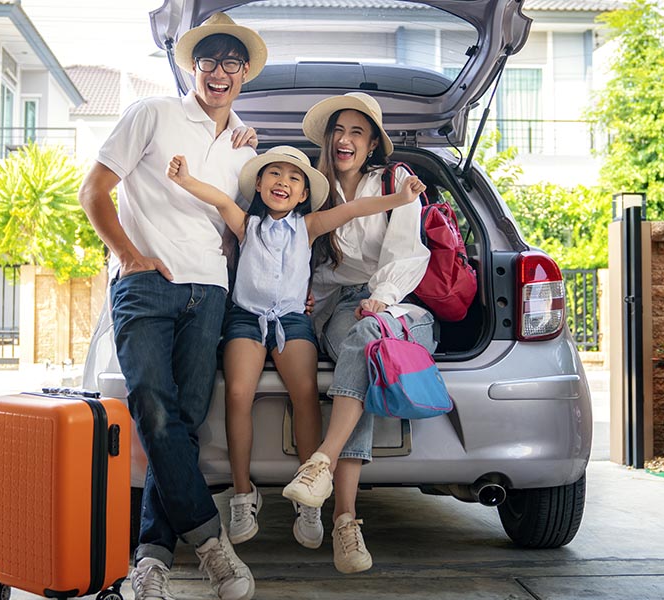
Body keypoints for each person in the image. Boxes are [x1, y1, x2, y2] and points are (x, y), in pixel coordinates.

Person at [78, 13, 267, 600]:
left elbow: (247, 229)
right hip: (147, 287)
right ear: (192, 66)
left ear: (243, 75)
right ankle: (212, 547)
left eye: (231, 63)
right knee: (154, 411)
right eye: (208, 60)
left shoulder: (244, 147)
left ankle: (153, 558)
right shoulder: (152, 114)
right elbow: (93, 190)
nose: (218, 72)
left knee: (182, 426)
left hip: (209, 291)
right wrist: (129, 256)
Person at [167, 146, 423, 550]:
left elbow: (356, 210)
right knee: (237, 395)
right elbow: (217, 198)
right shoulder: (246, 224)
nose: (282, 182)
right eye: (274, 174)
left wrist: (399, 199)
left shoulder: (310, 226)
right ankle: (241, 494)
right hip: (246, 319)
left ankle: (311, 497)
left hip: (291, 320)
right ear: (260, 184)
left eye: (293, 177)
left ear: (304, 193)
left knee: (304, 394)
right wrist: (184, 181)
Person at [281, 92, 437, 574]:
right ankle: (345, 523)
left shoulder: (394, 182)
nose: (345, 139)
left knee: (370, 335)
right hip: (337, 310)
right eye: (338, 131)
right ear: (327, 139)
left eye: (357, 132)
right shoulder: (309, 187)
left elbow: (408, 254)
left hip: (399, 306)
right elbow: (282, 248)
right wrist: (300, 291)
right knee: (365, 345)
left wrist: (383, 297)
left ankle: (322, 467)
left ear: (371, 145)